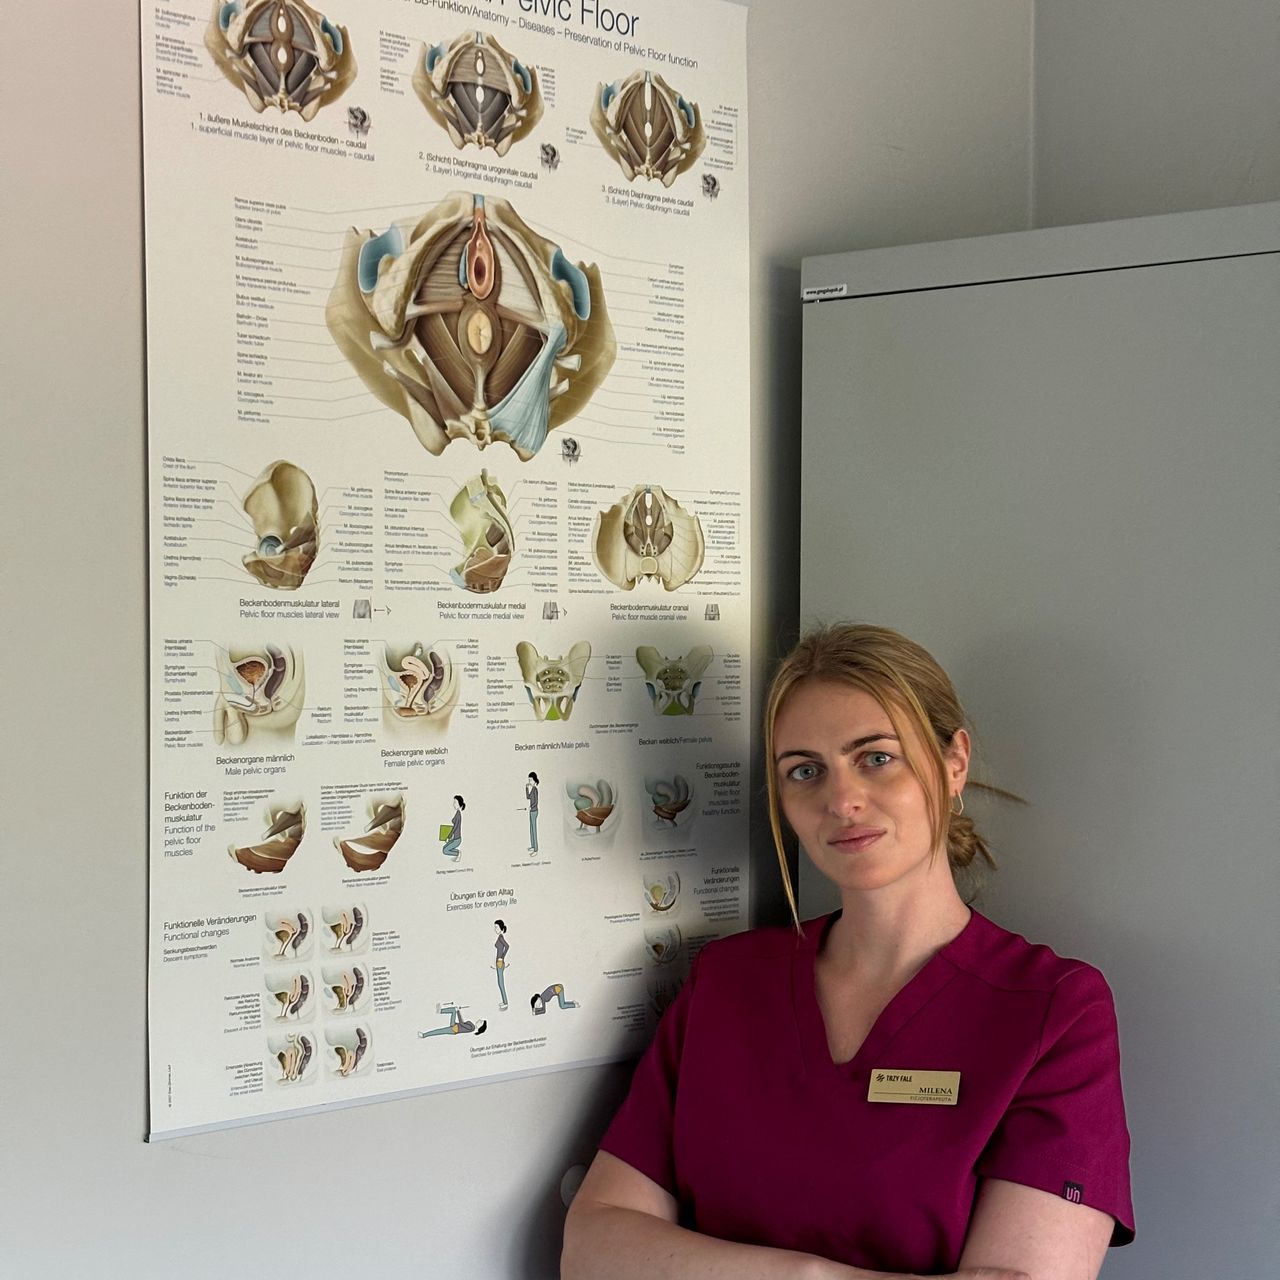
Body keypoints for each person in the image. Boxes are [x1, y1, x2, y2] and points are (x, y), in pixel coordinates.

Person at [563, 624, 1134, 1280]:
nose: (841, 801)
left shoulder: (1053, 1010)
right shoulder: (727, 982)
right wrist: (808, 1277)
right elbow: (591, 1249)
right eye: (805, 771)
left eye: (876, 758)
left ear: (953, 763)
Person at [494, 918, 510, 1010]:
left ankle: (506, 1003)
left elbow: (507, 946)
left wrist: (502, 957)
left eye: (496, 927)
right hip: (499, 963)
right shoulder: (499, 937)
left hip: (500, 963)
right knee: (500, 983)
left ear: (500, 928)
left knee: (501, 983)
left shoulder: (500, 937)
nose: (495, 929)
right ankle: (504, 1001)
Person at [442, 795, 465, 860]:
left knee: (445, 851)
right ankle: (457, 853)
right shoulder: (457, 813)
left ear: (459, 804)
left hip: (457, 839)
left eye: (455, 802)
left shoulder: (458, 815)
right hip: (454, 838)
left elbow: (455, 827)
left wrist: (449, 836)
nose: (453, 804)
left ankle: (457, 853)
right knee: (444, 848)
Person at [526, 772, 540, 852]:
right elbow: (528, 797)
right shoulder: (532, 789)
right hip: (531, 811)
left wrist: (531, 806)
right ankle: (532, 846)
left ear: (534, 780)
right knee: (531, 829)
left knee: (534, 830)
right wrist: (526, 788)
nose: (529, 781)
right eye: (529, 780)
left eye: (530, 780)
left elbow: (536, 802)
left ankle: (536, 849)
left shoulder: (535, 789)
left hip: (534, 811)